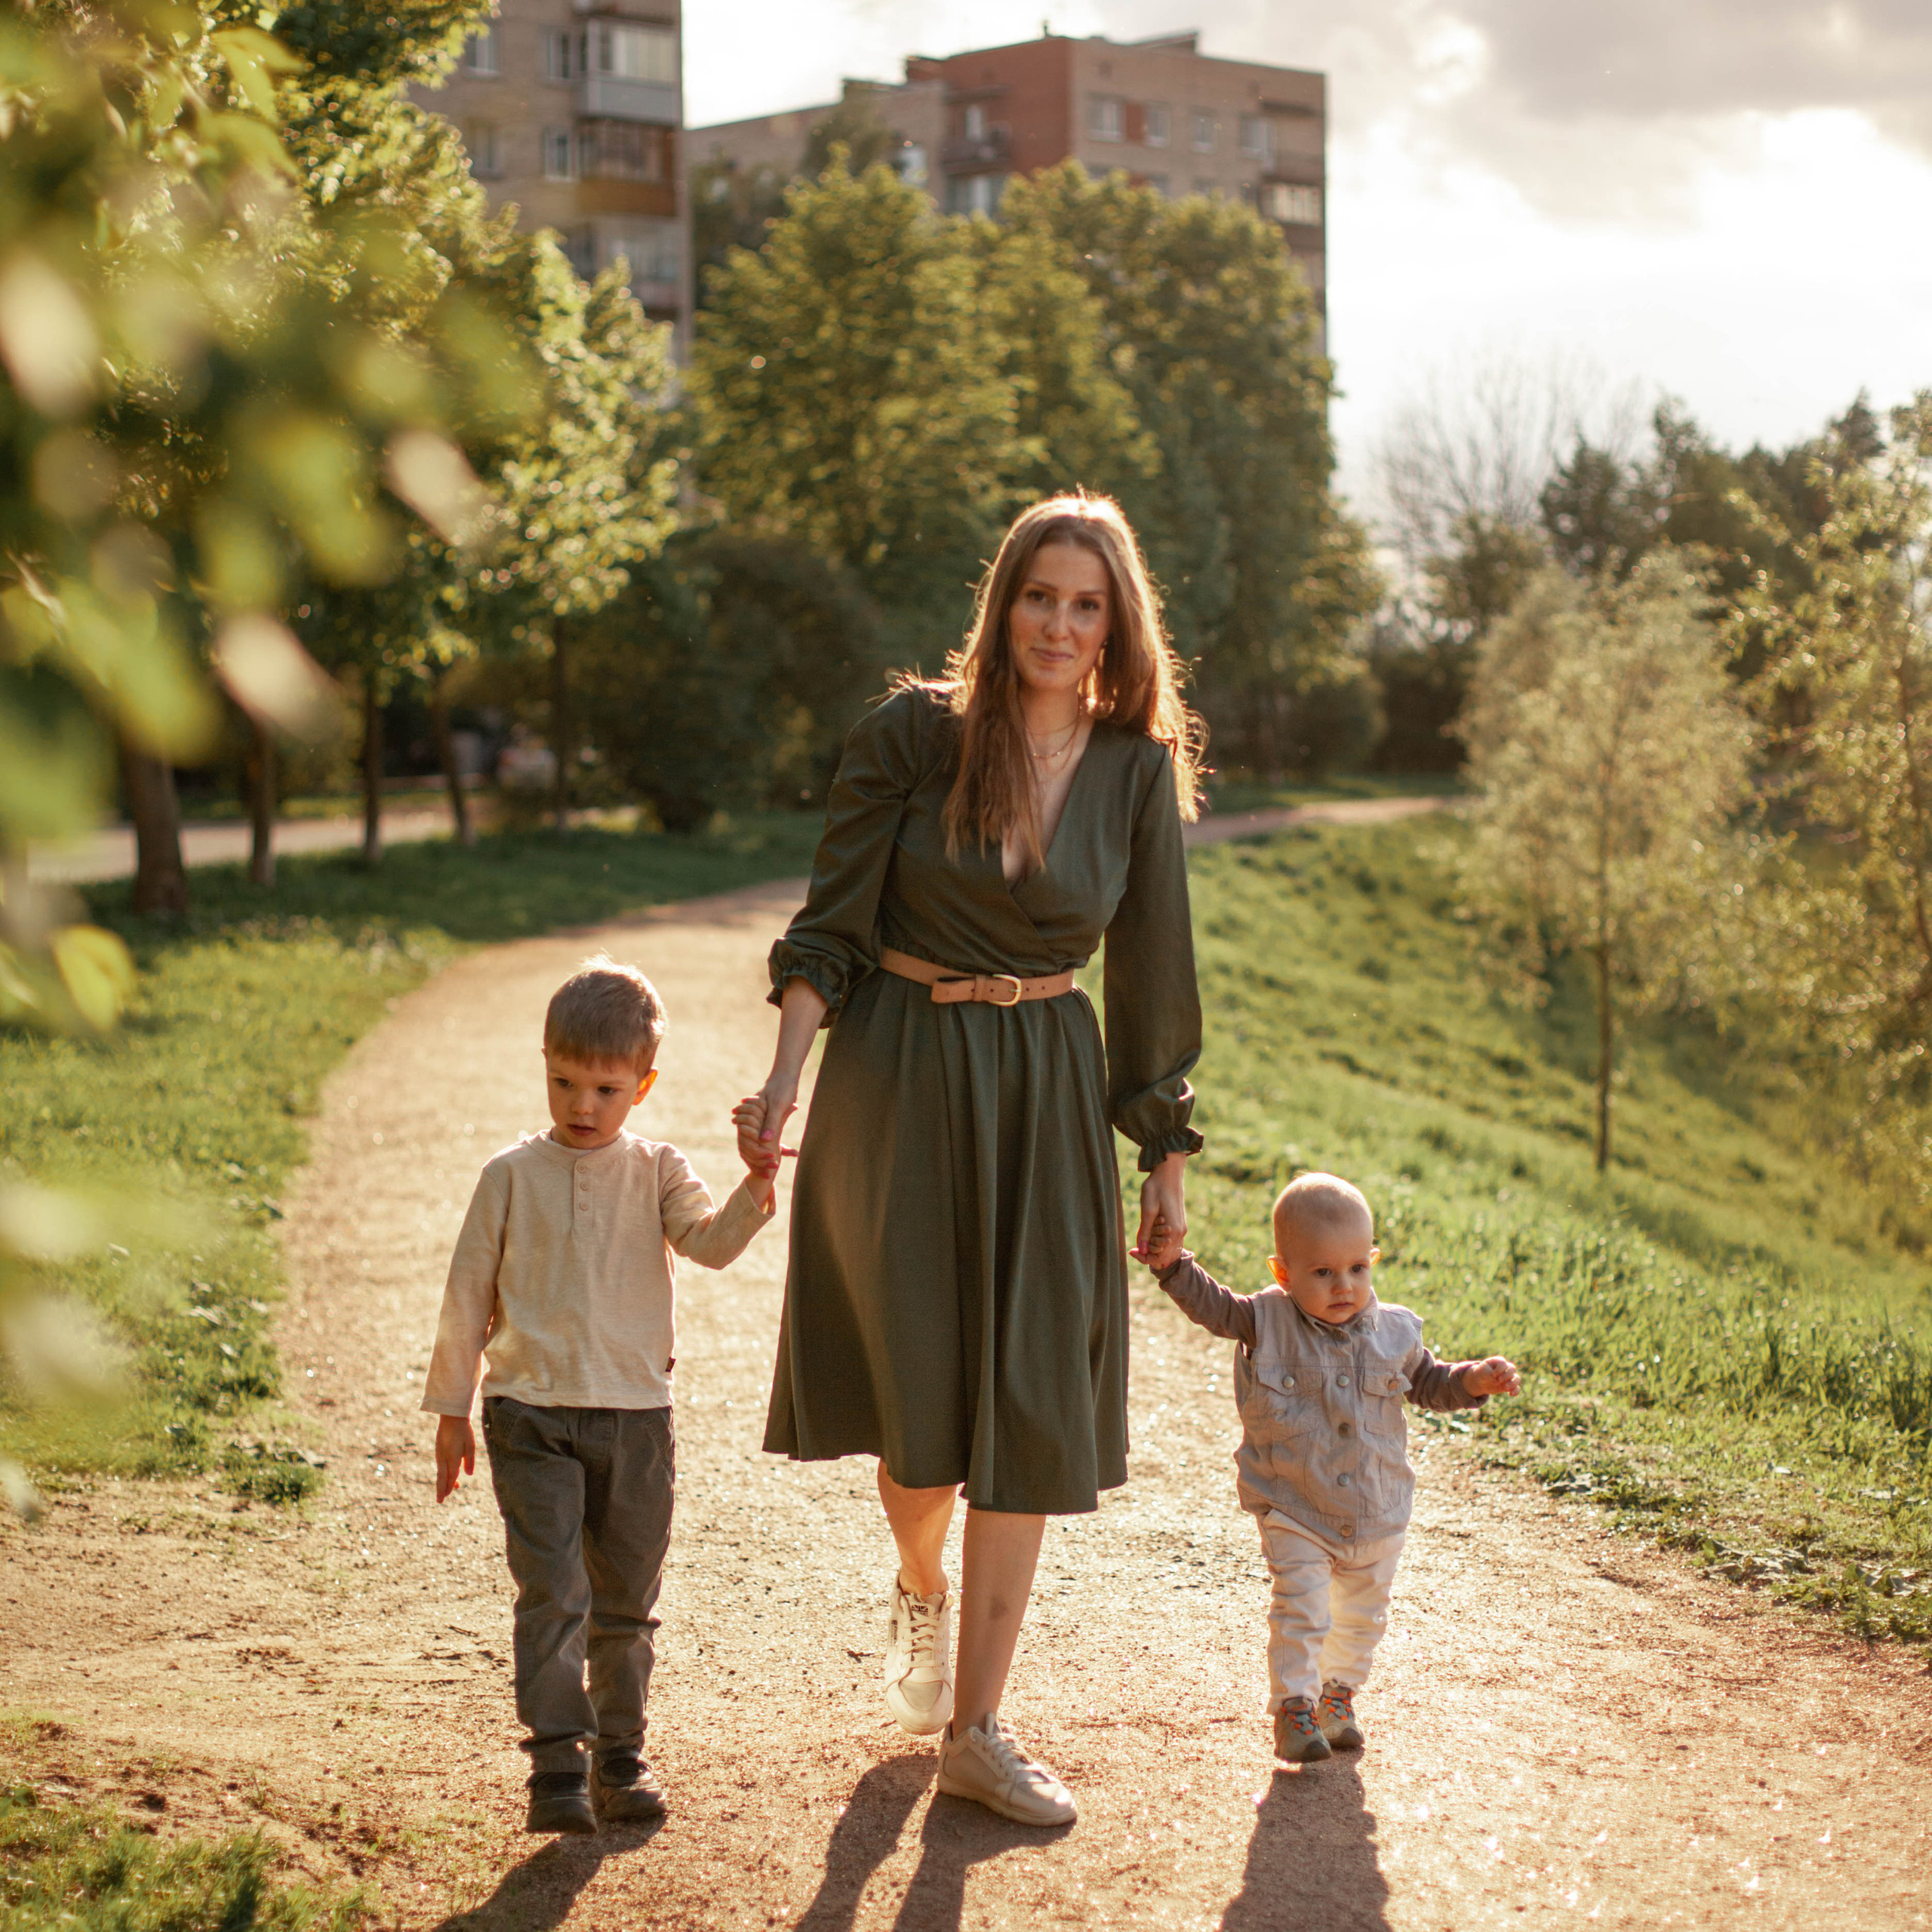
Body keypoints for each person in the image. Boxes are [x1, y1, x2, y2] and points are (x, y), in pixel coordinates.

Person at [733, 493, 1205, 1828]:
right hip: (899, 1076)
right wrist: (783, 1079)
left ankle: (981, 1728)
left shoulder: (1133, 768)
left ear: (1118, 623)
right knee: (921, 1419)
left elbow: (1155, 974)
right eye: (1040, 597)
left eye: (1087, 603)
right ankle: (921, 1582)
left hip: (1048, 1090)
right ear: (1003, 606)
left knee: (1030, 1393)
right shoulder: (909, 736)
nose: (1060, 625)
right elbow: (828, 927)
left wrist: (1164, 1151)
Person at [422, 956, 775, 1835]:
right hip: (528, 1416)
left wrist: (756, 1180)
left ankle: (622, 1752)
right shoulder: (508, 1174)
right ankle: (555, 1765)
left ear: (643, 1086)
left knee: (624, 1600)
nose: (583, 1105)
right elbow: (467, 1295)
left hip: (635, 1422)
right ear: (544, 1063)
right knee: (551, 1592)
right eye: (564, 1081)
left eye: (607, 1088)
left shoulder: (657, 1171)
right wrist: (452, 1410)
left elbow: (711, 1244)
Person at [1142, 1171, 1521, 1764]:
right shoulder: (1265, 1321)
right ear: (1283, 1274)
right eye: (1322, 1273)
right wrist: (1172, 1267)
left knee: (1362, 1619)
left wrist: (1473, 1379)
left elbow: (1428, 1381)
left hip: (1378, 1509)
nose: (1344, 1285)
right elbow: (1213, 1307)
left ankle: (1336, 1696)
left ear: (1371, 1261)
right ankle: (1293, 1706)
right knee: (1304, 1606)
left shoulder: (1396, 1330)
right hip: (1295, 1505)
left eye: (1357, 1269)